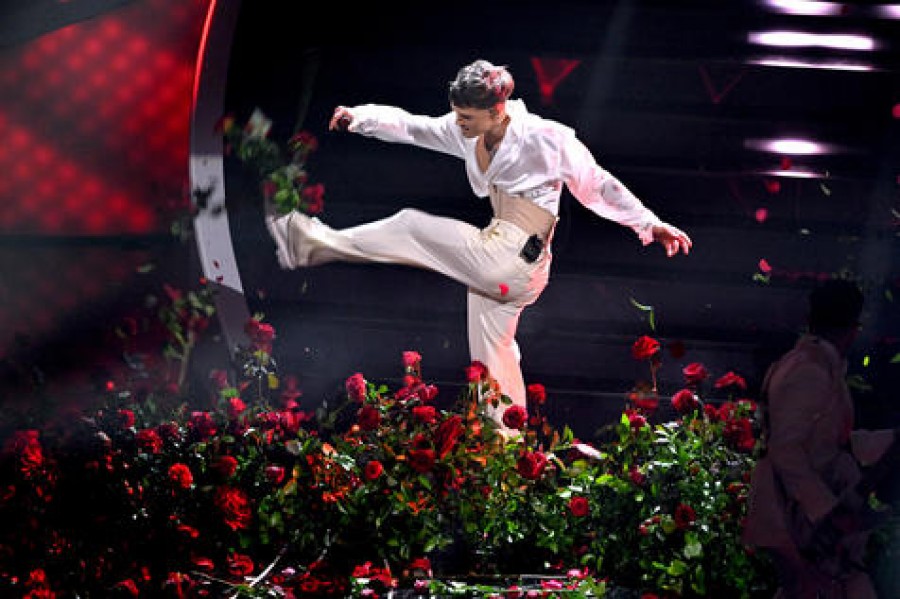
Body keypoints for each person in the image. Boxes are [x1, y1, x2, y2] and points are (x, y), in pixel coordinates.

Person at [265, 59, 692, 430]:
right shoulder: (467, 132)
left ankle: (306, 241)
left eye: (467, 116)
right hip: (503, 262)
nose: (460, 123)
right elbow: (414, 127)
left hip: (515, 256)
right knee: (493, 358)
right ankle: (506, 456)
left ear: (497, 109)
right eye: (458, 115)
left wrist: (648, 224)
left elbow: (597, 184)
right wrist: (359, 117)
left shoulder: (546, 137)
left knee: (410, 226)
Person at [742, 278, 899, 598]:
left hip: (809, 519)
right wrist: (828, 510)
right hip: (801, 522)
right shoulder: (810, 370)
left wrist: (891, 439)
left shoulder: (815, 364)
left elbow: (829, 441)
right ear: (854, 327)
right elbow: (786, 450)